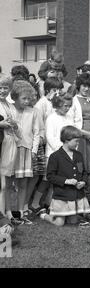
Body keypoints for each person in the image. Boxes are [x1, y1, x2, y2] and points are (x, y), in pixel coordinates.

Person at [30, 93, 74, 213]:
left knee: (60, 180)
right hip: (53, 154)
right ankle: (34, 203)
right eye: (65, 105)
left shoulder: (69, 117)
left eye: (69, 106)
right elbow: (50, 137)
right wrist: (60, 151)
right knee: (47, 179)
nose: (67, 108)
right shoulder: (51, 118)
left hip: (67, 153)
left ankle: (50, 203)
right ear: (58, 105)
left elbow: (72, 134)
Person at [40, 126, 90, 227]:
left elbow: (84, 172)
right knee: (59, 223)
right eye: (76, 141)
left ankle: (70, 215)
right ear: (67, 140)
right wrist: (66, 181)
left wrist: (83, 182)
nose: (77, 144)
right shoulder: (55, 156)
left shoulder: (78, 155)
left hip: (76, 195)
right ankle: (44, 215)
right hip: (62, 196)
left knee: (73, 221)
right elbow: (50, 176)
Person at [5, 81, 40, 225]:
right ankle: (7, 212)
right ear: (15, 97)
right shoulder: (9, 109)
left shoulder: (33, 112)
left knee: (23, 184)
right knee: (8, 183)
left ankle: (20, 212)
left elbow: (37, 132)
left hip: (26, 150)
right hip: (11, 149)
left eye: (28, 98)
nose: (26, 101)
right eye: (23, 98)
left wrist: (34, 150)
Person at [67, 73, 90, 174]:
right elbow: (70, 122)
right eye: (84, 86)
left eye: (89, 86)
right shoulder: (73, 101)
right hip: (79, 137)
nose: (86, 89)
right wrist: (85, 133)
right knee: (79, 164)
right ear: (79, 86)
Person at [0, 76, 20, 223]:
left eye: (5, 88)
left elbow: (17, 125)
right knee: (1, 182)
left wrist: (14, 124)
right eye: (0, 87)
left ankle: (7, 211)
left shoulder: (10, 105)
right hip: (1, 143)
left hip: (10, 142)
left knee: (6, 182)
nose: (2, 90)